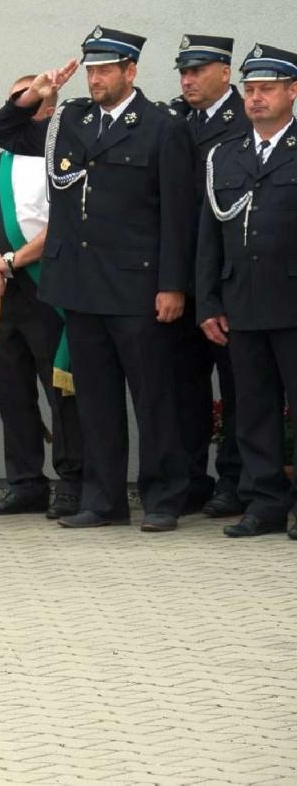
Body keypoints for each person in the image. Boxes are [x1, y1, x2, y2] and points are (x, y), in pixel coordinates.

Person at [0, 26, 195, 532]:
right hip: (79, 288)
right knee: (96, 402)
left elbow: (177, 215)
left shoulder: (161, 127)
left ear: (131, 71)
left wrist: (173, 285)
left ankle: (164, 497)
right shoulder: (69, 120)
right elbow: (5, 134)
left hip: (136, 289)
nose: (96, 78)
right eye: (91, 70)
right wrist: (36, 93)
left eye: (106, 69)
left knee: (153, 399)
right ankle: (104, 500)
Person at [0, 74, 83, 519]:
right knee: (12, 391)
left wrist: (9, 261)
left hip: (45, 286)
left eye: (28, 95)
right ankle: (25, 482)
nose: (21, 102)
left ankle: (73, 479)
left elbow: (60, 227)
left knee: (62, 391)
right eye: (15, 97)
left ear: (49, 104)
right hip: (2, 290)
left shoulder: (62, 160)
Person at [199, 45, 297, 538]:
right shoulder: (225, 156)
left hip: (292, 302)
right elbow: (209, 237)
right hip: (242, 305)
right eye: (251, 89)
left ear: (292, 91)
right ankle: (265, 503)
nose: (256, 99)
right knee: (253, 409)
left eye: (268, 89)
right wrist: (209, 301)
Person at [170, 35, 246, 517]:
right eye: (183, 71)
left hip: (230, 280)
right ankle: (193, 478)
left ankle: (234, 482)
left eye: (198, 70)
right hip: (183, 280)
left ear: (225, 71)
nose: (188, 80)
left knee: (240, 389)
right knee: (185, 388)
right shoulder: (176, 121)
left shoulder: (247, 121)